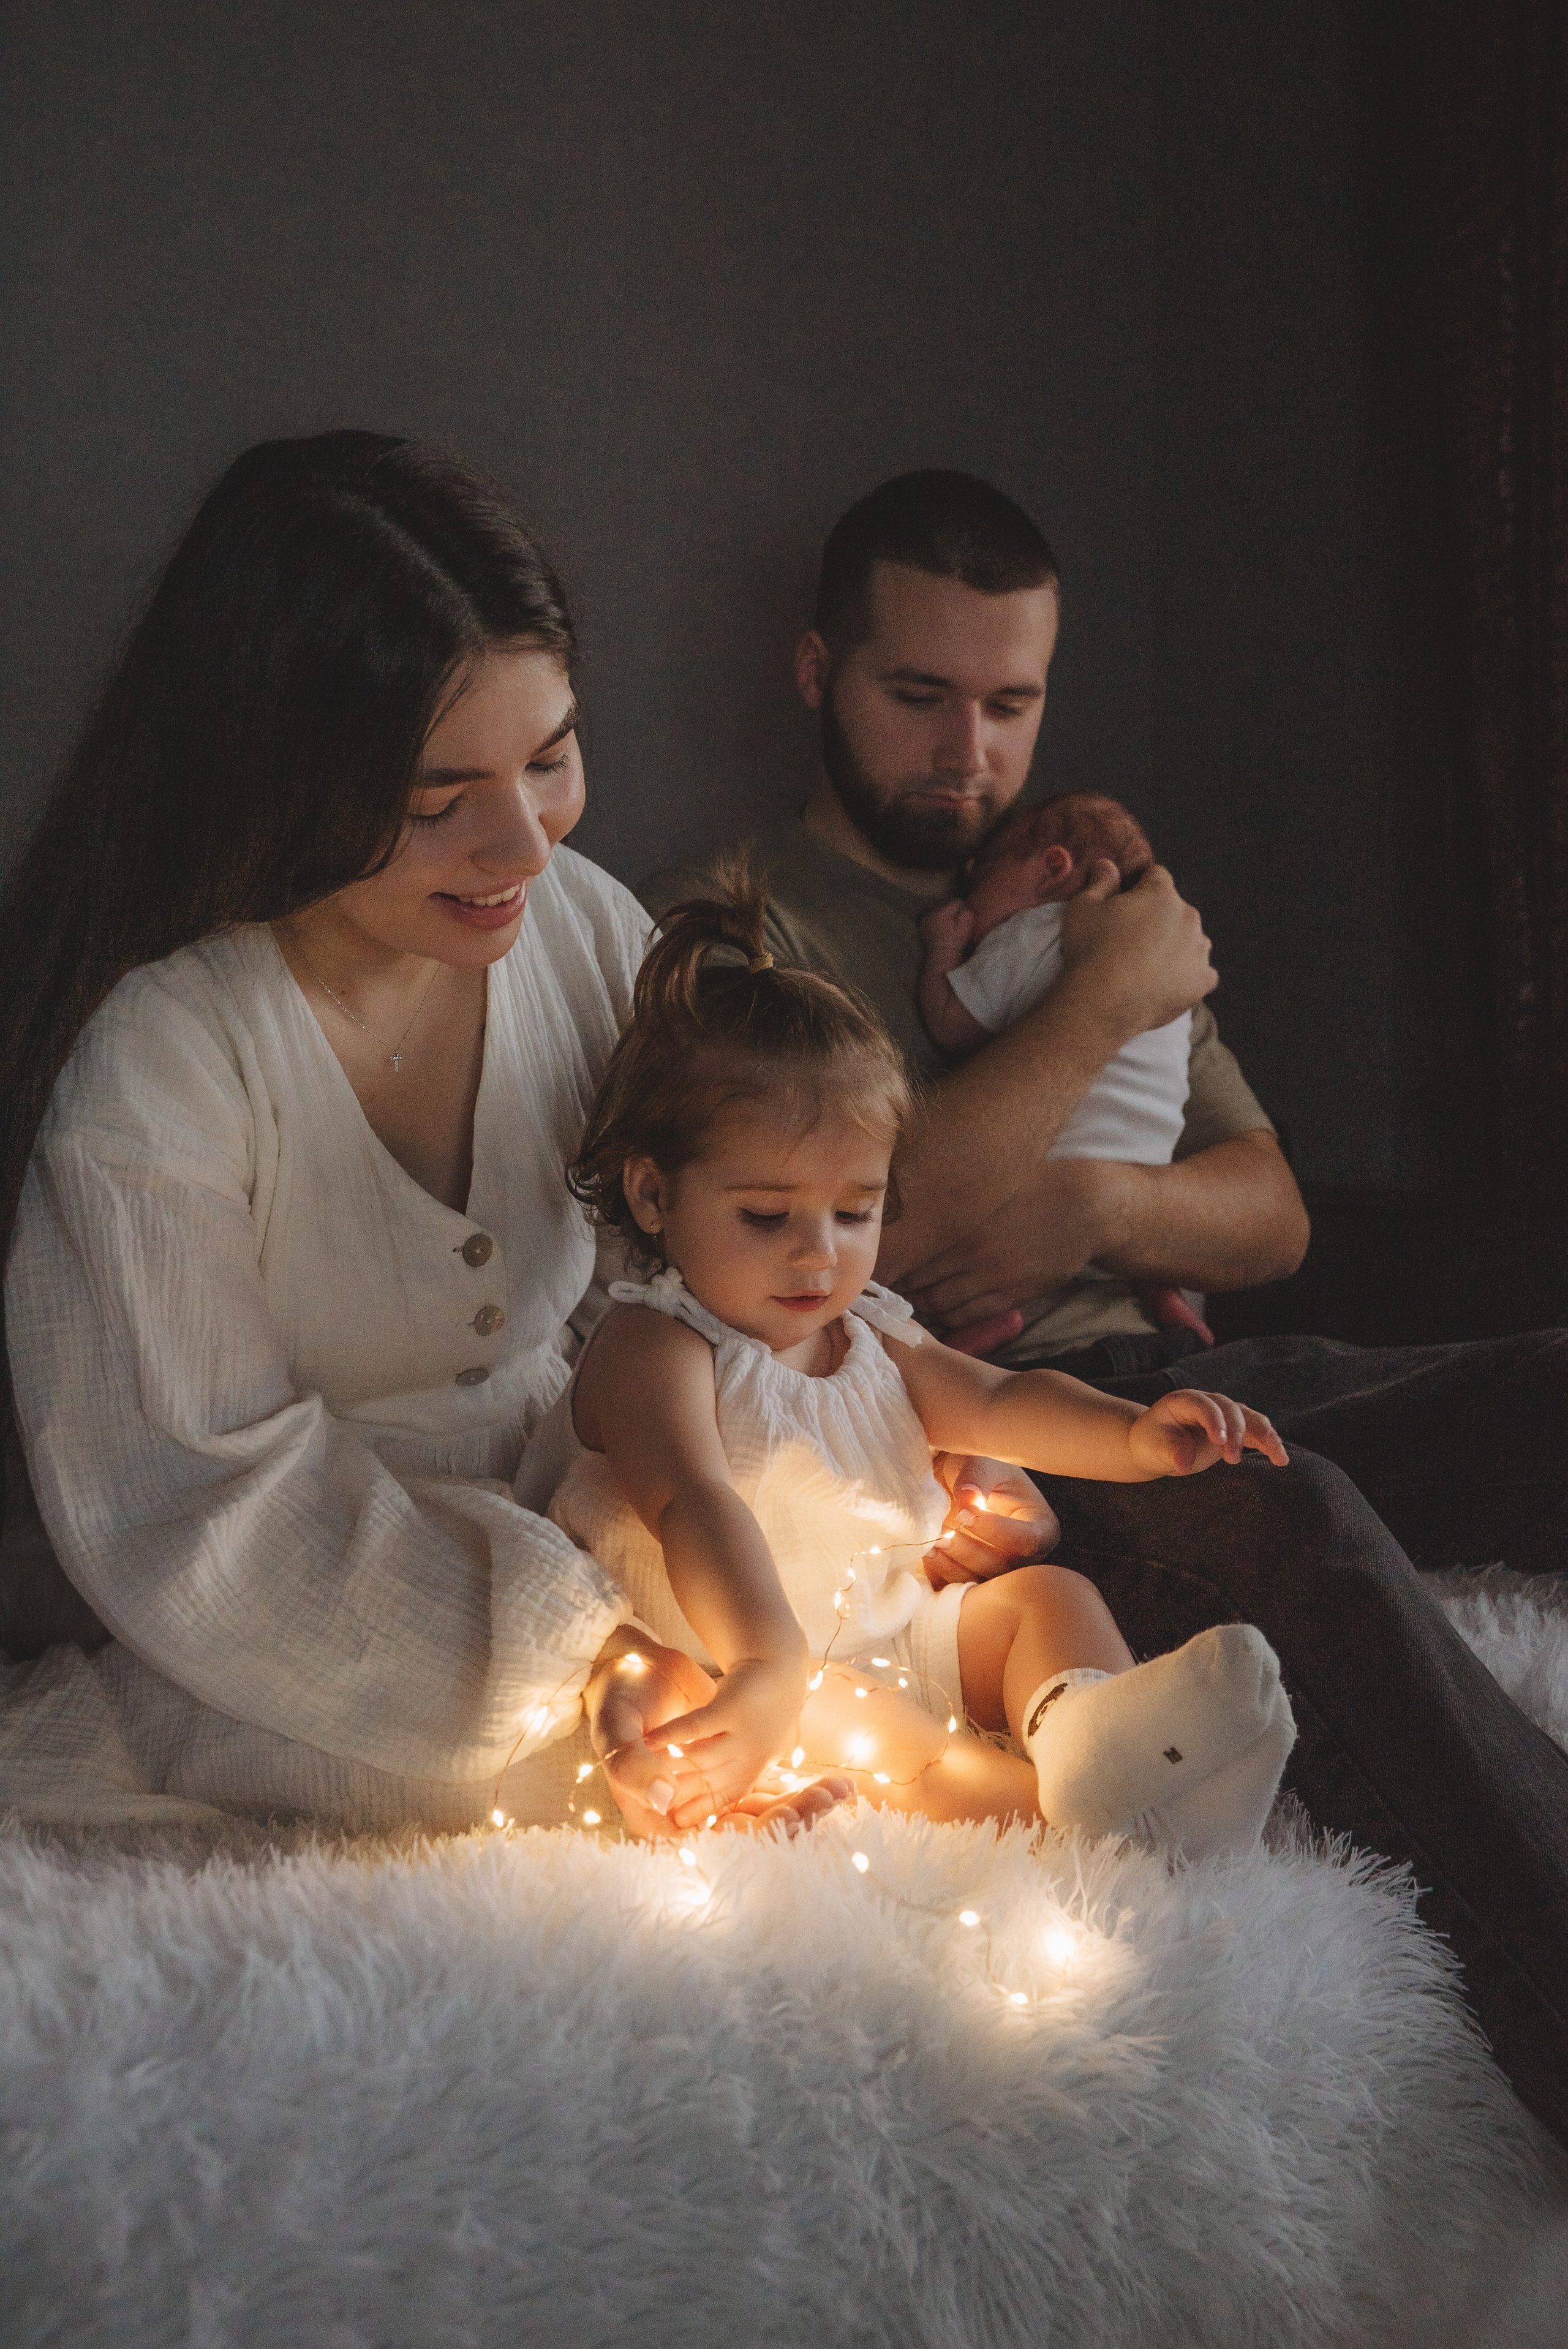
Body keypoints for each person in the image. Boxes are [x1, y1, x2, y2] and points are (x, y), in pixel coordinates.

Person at [641, 469, 1568, 2146]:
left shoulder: (1081, 893)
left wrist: (1086, 1202)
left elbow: (1268, 1210)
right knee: (1298, 1510)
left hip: (1171, 1360)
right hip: (992, 1450)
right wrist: (1098, 1008)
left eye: (1010, 704)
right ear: (815, 673)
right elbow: (878, 1246)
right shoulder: (733, 933)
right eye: (918, 694)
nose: (969, 752)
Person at [0, 430, 876, 1840]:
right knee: (479, 1760)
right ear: (281, 784)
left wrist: (876, 1418)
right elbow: (200, 1507)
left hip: (603, 1494)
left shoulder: (578, 929)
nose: (524, 843)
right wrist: (577, 1653)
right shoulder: (161, 1056)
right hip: (305, 1626)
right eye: (438, 802)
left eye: (551, 757)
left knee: (858, 1587)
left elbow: (699, 1262)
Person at [547, 873, 1296, 1855]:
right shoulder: (656, 1345)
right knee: (906, 1742)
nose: (818, 1253)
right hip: (743, 1672)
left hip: (895, 1631)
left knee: (1046, 1599)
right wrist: (766, 1662)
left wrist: (1134, 1436)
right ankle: (1100, 1835)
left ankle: (1092, 1738)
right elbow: (693, 1499)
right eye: (767, 1215)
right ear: (654, 1195)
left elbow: (999, 1398)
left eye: (854, 1211)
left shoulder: (871, 1331)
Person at [916, 790, 1212, 1345]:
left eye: (982, 879)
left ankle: (989, 1325)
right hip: (1145, 1168)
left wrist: (943, 949)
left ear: (1052, 868)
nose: (969, 900)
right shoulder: (1162, 963)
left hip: (1044, 1184)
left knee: (983, 1230)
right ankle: (1161, 1291)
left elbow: (952, 1023)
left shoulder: (1031, 931)